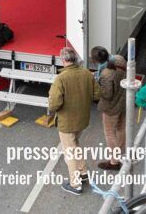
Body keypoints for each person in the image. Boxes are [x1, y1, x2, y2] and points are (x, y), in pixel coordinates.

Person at [48, 47, 100, 194]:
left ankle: (75, 184)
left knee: (69, 152)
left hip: (67, 123)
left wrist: (52, 111)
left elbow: (54, 104)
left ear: (63, 60)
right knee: (75, 144)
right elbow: (97, 94)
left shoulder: (61, 79)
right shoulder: (86, 74)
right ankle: (83, 173)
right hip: (82, 120)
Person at [97, 55, 127, 171]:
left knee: (109, 133)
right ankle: (119, 153)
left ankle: (114, 162)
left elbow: (107, 94)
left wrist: (96, 86)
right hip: (124, 101)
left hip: (111, 107)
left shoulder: (106, 74)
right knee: (121, 129)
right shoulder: (120, 59)